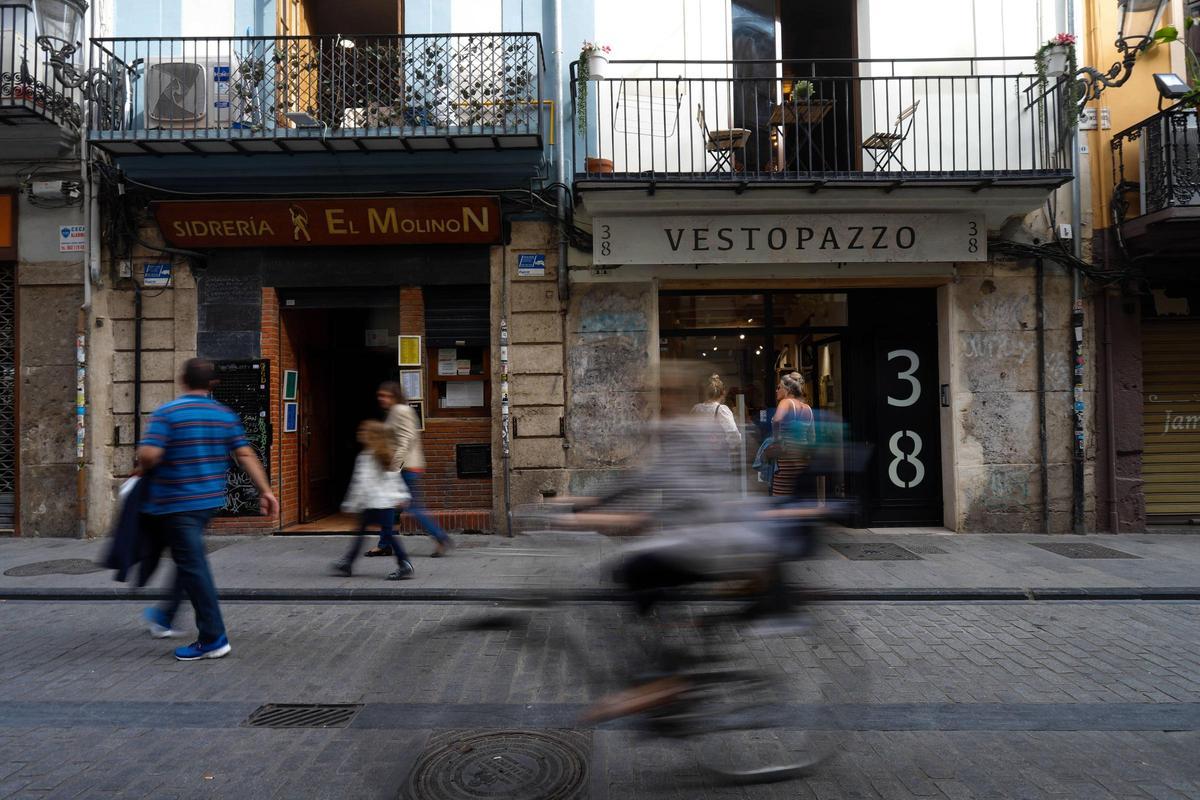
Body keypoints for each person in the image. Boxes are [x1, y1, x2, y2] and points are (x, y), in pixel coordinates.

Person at [137, 358, 278, 661]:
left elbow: (149, 454)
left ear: (182, 379)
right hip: (207, 502)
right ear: (211, 383)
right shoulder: (223, 414)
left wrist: (142, 465)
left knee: (192, 565)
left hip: (174, 502)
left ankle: (213, 637)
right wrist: (265, 491)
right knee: (188, 558)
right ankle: (165, 616)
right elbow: (245, 453)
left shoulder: (168, 412)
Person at [365, 381, 453, 557]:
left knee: (412, 508)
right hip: (403, 467)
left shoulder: (401, 411)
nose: (381, 398)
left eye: (385, 395)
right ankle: (385, 544)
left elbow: (406, 440)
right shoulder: (395, 412)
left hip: (406, 468)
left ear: (394, 396)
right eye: (380, 395)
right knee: (389, 506)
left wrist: (393, 469)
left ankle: (440, 536)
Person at [332, 421, 414, 580]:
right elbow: (395, 479)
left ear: (372, 436)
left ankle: (404, 563)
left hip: (376, 503)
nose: (360, 434)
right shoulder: (383, 455)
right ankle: (348, 562)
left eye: (364, 432)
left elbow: (360, 483)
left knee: (385, 534)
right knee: (369, 533)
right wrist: (402, 495)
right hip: (382, 503)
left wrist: (350, 504)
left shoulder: (367, 457)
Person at [770, 371, 814, 497]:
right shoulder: (808, 408)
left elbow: (777, 419)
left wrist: (777, 442)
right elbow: (812, 438)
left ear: (787, 389)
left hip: (786, 460)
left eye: (779, 387)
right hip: (802, 461)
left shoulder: (786, 402)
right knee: (798, 499)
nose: (776, 390)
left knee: (781, 498)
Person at [690, 373, 742, 471]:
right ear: (723, 393)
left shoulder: (696, 409)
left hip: (698, 458)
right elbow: (733, 435)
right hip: (717, 459)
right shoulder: (722, 410)